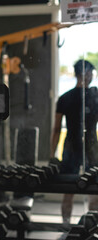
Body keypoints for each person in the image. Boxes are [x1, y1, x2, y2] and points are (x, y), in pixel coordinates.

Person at [50, 59, 98, 225]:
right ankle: (92, 227)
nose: (91, 76)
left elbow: (56, 129)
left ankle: (65, 226)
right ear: (86, 74)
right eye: (91, 73)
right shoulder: (94, 97)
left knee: (68, 191)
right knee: (94, 191)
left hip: (73, 146)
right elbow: (56, 128)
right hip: (89, 148)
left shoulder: (65, 98)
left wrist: (51, 153)